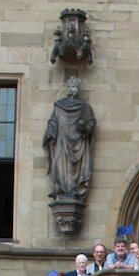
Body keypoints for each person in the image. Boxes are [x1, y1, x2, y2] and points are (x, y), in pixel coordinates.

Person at [43, 77, 96, 205]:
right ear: (67, 89)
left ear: (77, 90)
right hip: (62, 142)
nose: (72, 89)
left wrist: (84, 128)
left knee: (77, 169)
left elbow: (91, 123)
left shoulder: (84, 107)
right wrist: (50, 132)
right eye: (70, 87)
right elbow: (53, 122)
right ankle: (61, 188)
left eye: (74, 87)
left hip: (79, 144)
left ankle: (74, 188)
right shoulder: (59, 106)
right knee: (59, 164)